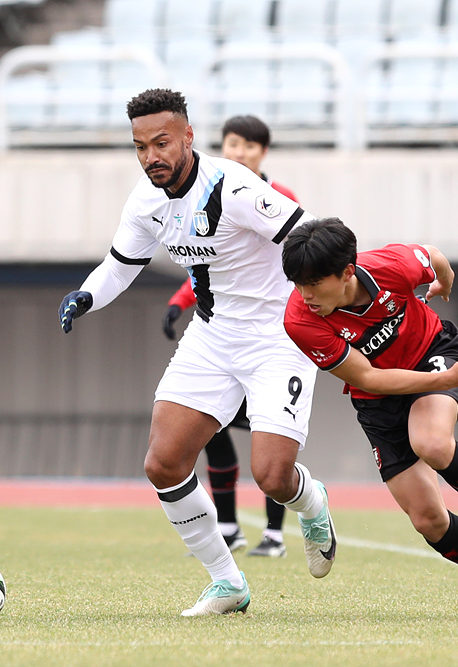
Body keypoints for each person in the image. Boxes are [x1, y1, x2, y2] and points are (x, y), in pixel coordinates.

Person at [59, 89, 336, 616]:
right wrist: (87, 295)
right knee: (163, 463)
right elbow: (120, 266)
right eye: (140, 147)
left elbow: (309, 237)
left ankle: (312, 501)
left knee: (273, 477)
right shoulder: (145, 201)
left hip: (278, 338)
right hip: (211, 337)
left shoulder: (233, 185)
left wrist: (350, 300)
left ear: (188, 136)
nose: (150, 157)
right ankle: (227, 583)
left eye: (161, 143)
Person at [281, 217, 458, 620]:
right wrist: (450, 379)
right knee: (428, 520)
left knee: (431, 443)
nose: (305, 294)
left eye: (314, 283)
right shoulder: (300, 319)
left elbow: (435, 258)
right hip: (377, 397)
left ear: (347, 272)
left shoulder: (392, 267)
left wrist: (445, 283)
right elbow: (368, 377)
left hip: (430, 352)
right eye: (298, 283)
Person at [161, 115, 295, 559]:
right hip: (221, 338)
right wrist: (179, 303)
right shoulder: (204, 195)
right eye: (233, 144)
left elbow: (304, 252)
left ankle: (274, 533)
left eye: (250, 146)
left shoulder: (278, 198)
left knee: (270, 442)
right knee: (206, 428)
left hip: (269, 338)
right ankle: (229, 526)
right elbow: (207, 265)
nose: (240, 153)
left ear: (264, 153)